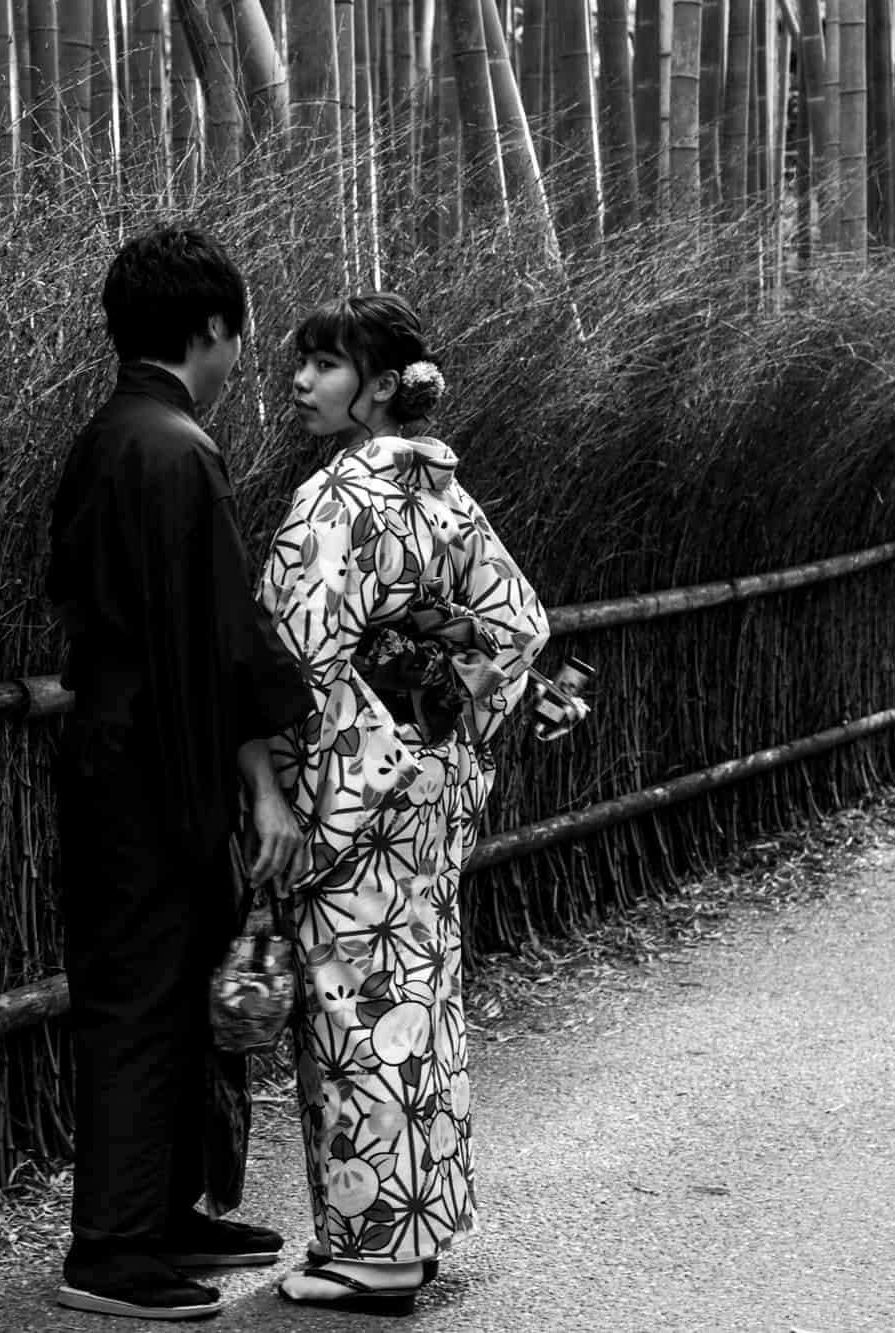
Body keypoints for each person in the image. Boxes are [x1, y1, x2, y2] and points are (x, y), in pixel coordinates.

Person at [256, 292, 584, 1312]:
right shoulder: (446, 497)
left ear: (381, 385)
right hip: (428, 790)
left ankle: (376, 1250)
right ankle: (416, 1224)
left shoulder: (336, 501)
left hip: (356, 797)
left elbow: (295, 659)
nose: (301, 382)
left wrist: (323, 771)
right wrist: (440, 724)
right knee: (418, 1000)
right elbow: (518, 626)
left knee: (355, 1012)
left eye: (323, 364)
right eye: (299, 363)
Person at [43, 227, 316, 1321]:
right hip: (150, 765)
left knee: (162, 990)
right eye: (238, 328)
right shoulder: (174, 448)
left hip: (125, 748)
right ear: (211, 328)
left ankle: (162, 1214)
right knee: (139, 1000)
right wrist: (262, 783)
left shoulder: (112, 436)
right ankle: (108, 1250)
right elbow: (222, 639)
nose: (245, 348)